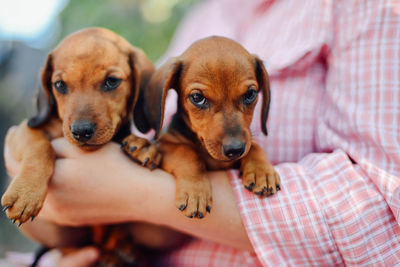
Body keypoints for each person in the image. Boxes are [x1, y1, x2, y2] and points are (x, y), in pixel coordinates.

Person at [4, 0, 400, 265]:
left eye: (249, 97)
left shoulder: (364, 8)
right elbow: (160, 133)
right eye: (198, 100)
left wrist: (128, 192)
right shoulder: (204, 16)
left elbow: (383, 206)